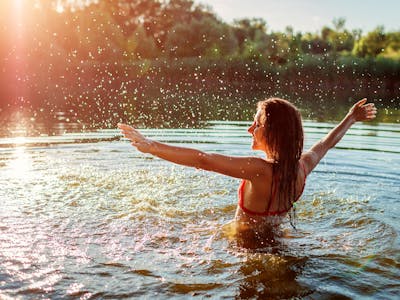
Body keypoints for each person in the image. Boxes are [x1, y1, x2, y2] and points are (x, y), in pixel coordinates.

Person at [118, 98, 376, 247]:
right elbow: (326, 144)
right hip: (278, 241)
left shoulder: (259, 170)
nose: (250, 129)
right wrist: (350, 118)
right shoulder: (301, 169)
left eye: (257, 123)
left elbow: (203, 160)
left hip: (242, 244)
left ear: (272, 132)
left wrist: (152, 146)